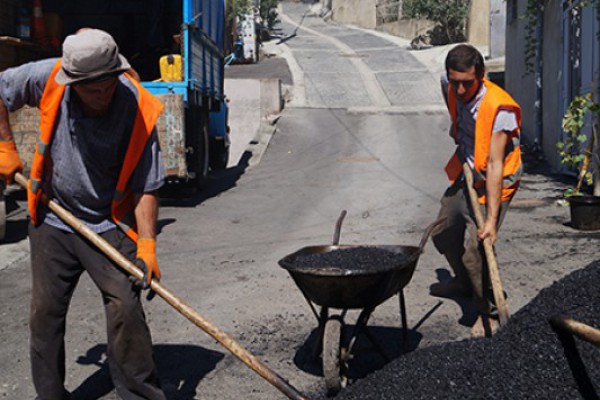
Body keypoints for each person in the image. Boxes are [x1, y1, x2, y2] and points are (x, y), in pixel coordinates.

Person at [0, 29, 167, 399]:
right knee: (44, 313)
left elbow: (146, 185)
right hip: (53, 215)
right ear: (71, 80)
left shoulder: (137, 108)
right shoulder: (47, 78)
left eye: (108, 84)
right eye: (92, 89)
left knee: (125, 304)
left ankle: (141, 393)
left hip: (109, 221)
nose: (103, 94)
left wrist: (149, 246)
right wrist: (4, 146)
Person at [429, 44, 522, 338]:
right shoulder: (450, 83)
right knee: (443, 232)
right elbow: (453, 98)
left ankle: (489, 312)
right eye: (454, 81)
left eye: (467, 83)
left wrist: (491, 221)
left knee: (477, 251)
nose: (459, 90)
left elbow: (495, 165)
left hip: (496, 179)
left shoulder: (499, 108)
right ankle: (463, 282)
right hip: (467, 170)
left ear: (481, 75)